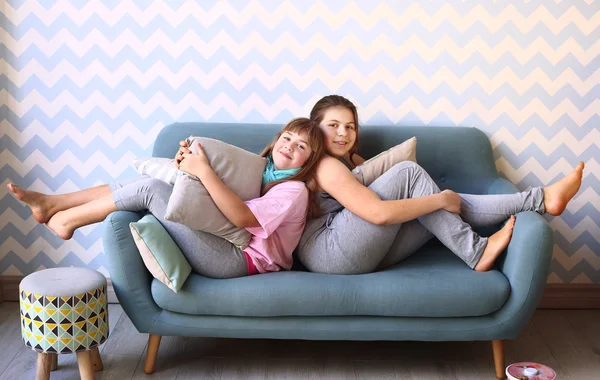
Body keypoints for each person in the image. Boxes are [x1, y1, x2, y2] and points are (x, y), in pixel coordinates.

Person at [296, 95, 584, 274]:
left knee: (434, 209)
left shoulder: (350, 162)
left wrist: (440, 200)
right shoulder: (325, 164)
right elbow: (378, 214)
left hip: (354, 252)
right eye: (333, 125)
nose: (343, 133)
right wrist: (440, 200)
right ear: (314, 128)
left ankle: (541, 199)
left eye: (350, 126)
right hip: (329, 252)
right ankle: (476, 251)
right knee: (410, 175)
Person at [7, 118, 325, 279]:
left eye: (301, 147)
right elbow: (221, 198)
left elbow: (242, 218)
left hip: (242, 261)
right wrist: (188, 168)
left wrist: (202, 171)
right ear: (277, 140)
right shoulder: (261, 171)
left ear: (309, 161)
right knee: (154, 179)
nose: (290, 146)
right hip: (230, 242)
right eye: (287, 138)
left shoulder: (294, 190)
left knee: (152, 190)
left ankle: (67, 220)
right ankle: (55, 203)